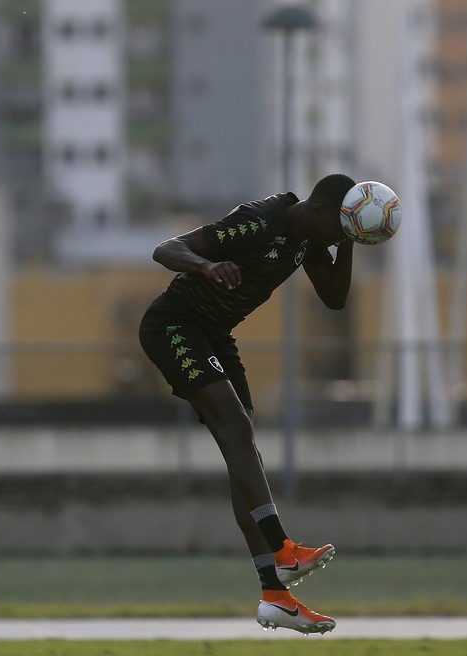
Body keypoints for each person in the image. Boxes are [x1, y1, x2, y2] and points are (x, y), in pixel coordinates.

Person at [139, 173, 358, 634]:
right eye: (339, 229)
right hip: (175, 326)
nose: (337, 240)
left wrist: (352, 240)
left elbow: (335, 299)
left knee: (244, 455)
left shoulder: (311, 239)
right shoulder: (261, 222)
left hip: (216, 336)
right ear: (318, 212)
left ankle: (276, 597)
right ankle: (282, 551)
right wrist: (205, 265)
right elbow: (166, 248)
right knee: (237, 433)